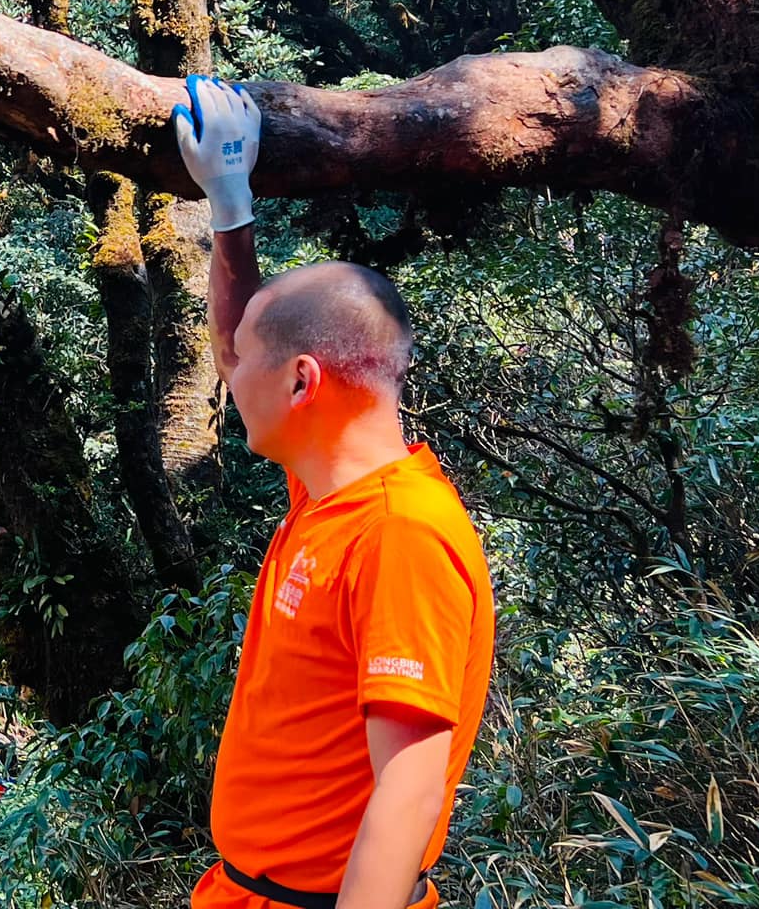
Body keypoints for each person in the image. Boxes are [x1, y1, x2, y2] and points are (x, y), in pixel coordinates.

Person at [170, 76, 496, 909]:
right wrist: (229, 201)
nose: (228, 376)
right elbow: (249, 336)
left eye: (245, 365)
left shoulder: (401, 534)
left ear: (303, 385)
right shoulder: (330, 493)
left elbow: (410, 789)